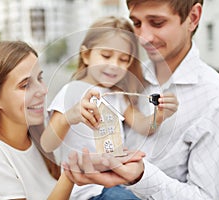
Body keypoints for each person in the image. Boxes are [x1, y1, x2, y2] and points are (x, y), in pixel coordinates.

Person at [63, 1, 219, 200]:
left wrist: (141, 176)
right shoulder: (129, 77)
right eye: (136, 23)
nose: (143, 38)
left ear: (193, 17)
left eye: (157, 23)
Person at [40, 16, 178, 199]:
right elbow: (47, 144)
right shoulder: (71, 91)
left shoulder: (118, 96)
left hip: (116, 185)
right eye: (106, 55)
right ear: (86, 54)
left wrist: (159, 116)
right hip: (84, 189)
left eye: (123, 59)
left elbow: (146, 128)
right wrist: (70, 116)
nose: (114, 65)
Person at [0, 41, 74, 200]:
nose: (43, 90)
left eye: (40, 78)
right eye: (25, 85)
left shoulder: (35, 137)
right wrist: (71, 176)